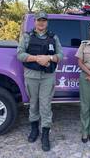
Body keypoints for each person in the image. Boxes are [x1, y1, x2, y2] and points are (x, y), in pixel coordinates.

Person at [17, 11, 64, 151]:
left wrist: (49, 58)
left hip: (47, 77)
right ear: (35, 22)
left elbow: (60, 55)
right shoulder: (27, 36)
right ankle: (34, 129)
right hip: (31, 75)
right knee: (33, 104)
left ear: (47, 22)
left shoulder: (53, 37)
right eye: (39, 20)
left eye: (44, 20)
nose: (41, 23)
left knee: (45, 105)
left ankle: (45, 134)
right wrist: (37, 58)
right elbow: (20, 54)